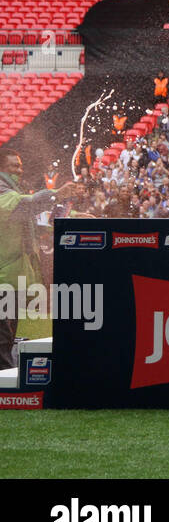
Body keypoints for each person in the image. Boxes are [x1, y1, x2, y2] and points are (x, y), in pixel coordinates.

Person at [1, 150, 78, 369]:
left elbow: (35, 219)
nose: (20, 169)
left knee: (6, 336)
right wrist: (55, 194)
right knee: (3, 338)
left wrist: (73, 216)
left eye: (20, 165)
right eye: (14, 166)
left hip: (10, 276)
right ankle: (6, 389)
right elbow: (24, 206)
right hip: (3, 276)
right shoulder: (3, 192)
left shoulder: (12, 190)